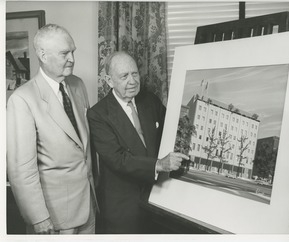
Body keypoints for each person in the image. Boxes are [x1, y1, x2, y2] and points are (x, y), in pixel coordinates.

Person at [7, 24, 98, 234]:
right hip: (54, 218)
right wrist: (39, 218)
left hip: (89, 207)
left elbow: (84, 148)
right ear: (43, 55)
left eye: (73, 52)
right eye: (65, 53)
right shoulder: (22, 99)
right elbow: (21, 170)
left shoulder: (77, 85)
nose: (72, 59)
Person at [87, 51, 189, 234]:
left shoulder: (150, 100)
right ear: (110, 81)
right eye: (124, 76)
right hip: (124, 207)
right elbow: (118, 159)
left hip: (158, 198)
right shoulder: (98, 114)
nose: (132, 81)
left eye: (134, 74)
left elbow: (172, 130)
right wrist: (159, 164)